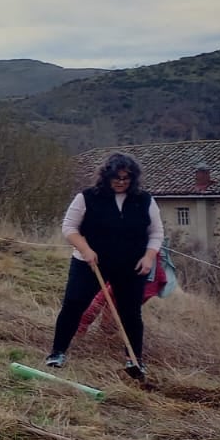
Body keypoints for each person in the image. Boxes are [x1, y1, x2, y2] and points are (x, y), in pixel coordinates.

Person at [46, 153, 163, 372]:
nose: (121, 182)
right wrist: (86, 249)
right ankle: (57, 352)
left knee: (131, 311)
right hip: (90, 263)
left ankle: (134, 360)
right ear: (106, 176)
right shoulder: (87, 197)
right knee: (74, 304)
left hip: (131, 265)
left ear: (133, 178)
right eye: (116, 178)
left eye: (126, 178)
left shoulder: (145, 200)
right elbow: (69, 228)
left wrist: (148, 257)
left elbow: (156, 233)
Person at [77, 246, 170, 338]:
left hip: (142, 280)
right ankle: (85, 331)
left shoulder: (143, 244)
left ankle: (101, 334)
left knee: (116, 306)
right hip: (127, 270)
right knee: (106, 301)